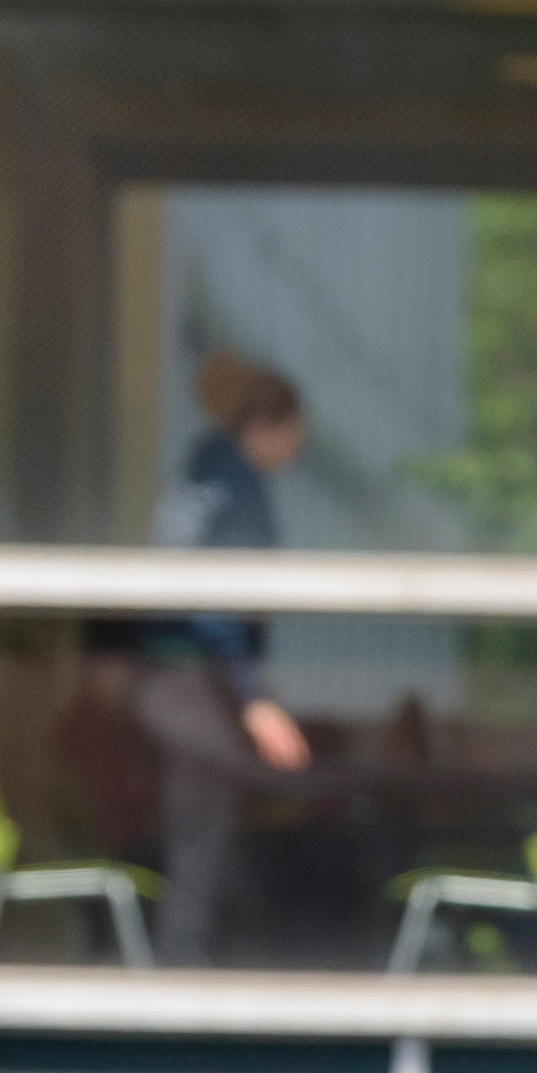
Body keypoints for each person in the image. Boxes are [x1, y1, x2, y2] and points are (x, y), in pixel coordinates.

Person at [131, 353, 322, 960]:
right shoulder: (237, 486)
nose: (297, 447)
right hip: (195, 679)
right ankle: (186, 969)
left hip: (173, 675)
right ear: (264, 428)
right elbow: (218, 598)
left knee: (205, 825)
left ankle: (198, 954)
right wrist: (255, 700)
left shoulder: (203, 468)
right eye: (294, 433)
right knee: (207, 829)